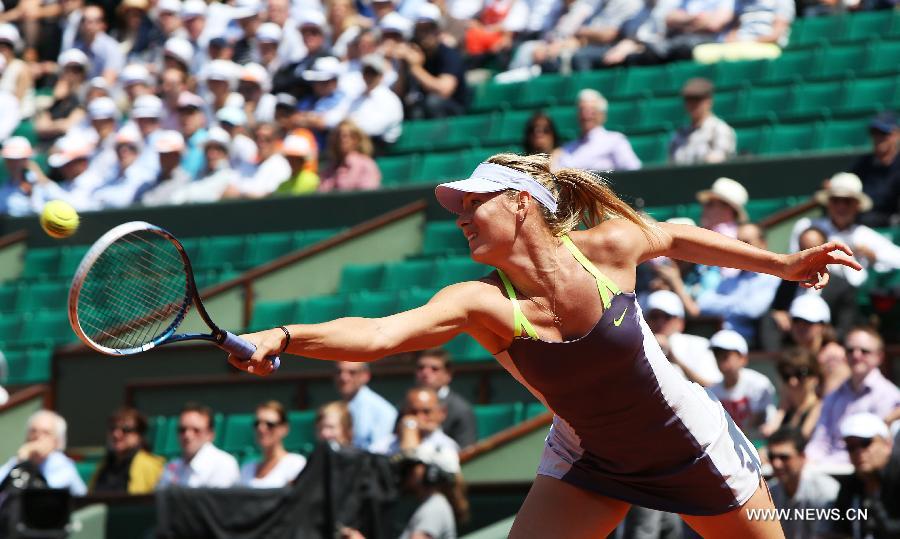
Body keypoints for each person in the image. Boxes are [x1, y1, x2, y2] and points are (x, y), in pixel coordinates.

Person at [229, 152, 862, 537]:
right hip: (589, 459)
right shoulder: (480, 302)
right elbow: (378, 335)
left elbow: (677, 235)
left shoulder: (609, 249)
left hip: (690, 445)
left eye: (474, 201)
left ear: (522, 205)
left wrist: (783, 264)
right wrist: (284, 336)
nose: (460, 214)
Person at [805, 327, 900, 467]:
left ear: (879, 357)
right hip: (825, 467)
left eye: (864, 351)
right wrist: (807, 462)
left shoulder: (889, 395)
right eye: (850, 350)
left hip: (860, 471)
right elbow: (820, 440)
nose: (856, 355)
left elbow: (873, 447)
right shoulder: (833, 395)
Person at [790, 172, 900, 289]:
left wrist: (873, 255)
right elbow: (794, 262)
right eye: (836, 200)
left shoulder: (864, 235)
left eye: (847, 201)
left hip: (851, 299)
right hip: (809, 292)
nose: (841, 206)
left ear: (857, 205)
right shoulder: (806, 226)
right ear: (828, 203)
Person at [695, 223, 781, 344]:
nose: (740, 248)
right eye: (738, 242)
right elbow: (702, 303)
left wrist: (722, 302)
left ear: (763, 244)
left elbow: (752, 310)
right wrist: (737, 302)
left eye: (746, 242)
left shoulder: (772, 278)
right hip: (719, 340)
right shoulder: (730, 279)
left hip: (749, 346)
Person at [827, 413, 900, 538]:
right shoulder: (850, 486)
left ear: (887, 444)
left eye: (866, 443)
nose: (858, 452)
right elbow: (841, 531)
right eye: (851, 447)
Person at [766, 427, 839, 539]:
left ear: (802, 457)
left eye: (784, 457)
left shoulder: (825, 492)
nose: (776, 464)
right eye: (772, 457)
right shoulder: (768, 493)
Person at [645, 289, 722, 387]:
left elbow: (713, 388)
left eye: (667, 316)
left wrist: (675, 359)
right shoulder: (636, 346)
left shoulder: (700, 345)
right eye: (654, 316)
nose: (660, 322)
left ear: (680, 322)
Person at [708, 329, 777, 438]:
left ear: (743, 358)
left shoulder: (759, 383)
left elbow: (758, 421)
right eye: (717, 356)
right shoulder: (712, 391)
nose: (721, 361)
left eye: (726, 356)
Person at [0, 410, 86, 495]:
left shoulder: (62, 464)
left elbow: (44, 494)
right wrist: (21, 462)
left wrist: (28, 464)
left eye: (46, 433)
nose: (38, 436)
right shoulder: (20, 459)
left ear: (57, 441)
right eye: (33, 431)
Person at [556, 89, 642, 172]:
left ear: (602, 115)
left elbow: (633, 171)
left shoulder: (615, 140)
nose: (586, 115)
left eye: (592, 111)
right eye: (582, 110)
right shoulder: (568, 148)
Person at [157, 402, 240, 488]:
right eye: (182, 430)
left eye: (196, 430)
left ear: (210, 434)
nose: (187, 435)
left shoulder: (224, 463)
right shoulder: (172, 466)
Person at [90, 408, 165, 494]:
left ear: (139, 435)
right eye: (112, 428)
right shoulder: (102, 466)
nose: (116, 434)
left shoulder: (150, 466)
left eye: (125, 430)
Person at [413, 348, 477, 448]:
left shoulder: (461, 410)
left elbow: (467, 451)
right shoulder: (406, 404)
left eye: (434, 369)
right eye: (421, 368)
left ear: (448, 375)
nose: (425, 373)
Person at [373, 387, 461, 456]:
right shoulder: (384, 445)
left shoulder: (448, 447)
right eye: (413, 412)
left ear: (441, 413)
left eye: (426, 412)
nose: (419, 417)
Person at [669, 78, 736, 165]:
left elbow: (719, 163)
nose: (692, 104)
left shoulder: (720, 129)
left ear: (709, 101)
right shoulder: (679, 134)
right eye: (688, 99)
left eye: (697, 99)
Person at [239, 401, 307, 488]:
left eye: (269, 424)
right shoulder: (247, 468)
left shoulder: (296, 463)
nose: (261, 429)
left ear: (284, 429)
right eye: (257, 424)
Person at [849, 112, 900, 228]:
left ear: (897, 135)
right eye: (874, 133)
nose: (879, 138)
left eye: (884, 133)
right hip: (861, 223)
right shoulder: (863, 164)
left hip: (891, 225)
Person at [334, 362, 398, 452]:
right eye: (339, 372)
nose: (343, 377)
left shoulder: (383, 411)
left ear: (365, 376)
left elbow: (380, 453)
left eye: (352, 372)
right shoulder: (337, 407)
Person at [761, 350, 822, 441]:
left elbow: (802, 438)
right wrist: (781, 412)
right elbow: (767, 431)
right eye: (787, 376)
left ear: (815, 377)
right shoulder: (785, 407)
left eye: (800, 374)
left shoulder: (820, 407)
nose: (793, 382)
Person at [319, 119, 381, 192]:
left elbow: (367, 197)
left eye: (346, 136)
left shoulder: (367, 165)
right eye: (338, 136)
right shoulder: (328, 168)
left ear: (356, 139)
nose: (342, 140)